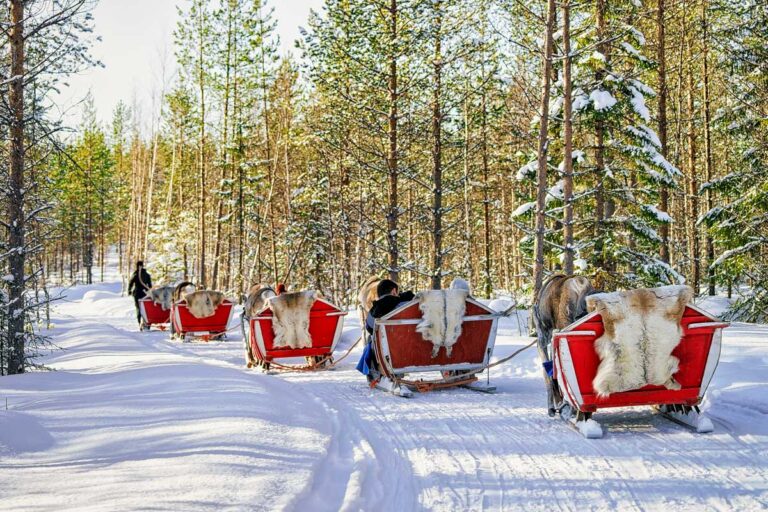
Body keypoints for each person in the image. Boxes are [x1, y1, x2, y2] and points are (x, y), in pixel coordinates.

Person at [357, 279, 415, 382]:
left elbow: (369, 328)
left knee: (370, 340)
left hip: (389, 354)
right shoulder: (408, 305)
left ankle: (375, 372)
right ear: (394, 291)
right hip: (413, 349)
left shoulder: (373, 312)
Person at [128, 261, 153, 326]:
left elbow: (131, 283)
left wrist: (129, 290)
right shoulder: (147, 275)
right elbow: (150, 285)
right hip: (145, 293)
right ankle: (146, 321)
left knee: (138, 308)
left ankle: (140, 322)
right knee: (146, 308)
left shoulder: (135, 274)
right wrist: (150, 291)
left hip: (137, 293)